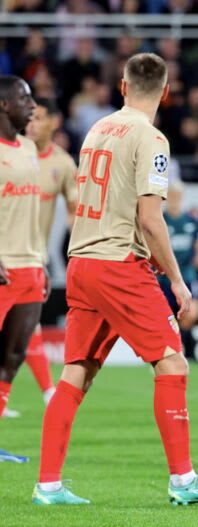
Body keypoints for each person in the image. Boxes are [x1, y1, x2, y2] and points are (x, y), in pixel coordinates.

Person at [32, 54, 198, 505]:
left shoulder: (97, 130)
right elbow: (150, 217)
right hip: (119, 262)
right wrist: (179, 282)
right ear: (166, 93)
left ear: (122, 87)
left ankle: (47, 484)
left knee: (76, 371)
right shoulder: (152, 138)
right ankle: (183, 480)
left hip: (82, 262)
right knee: (172, 362)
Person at [5, 97, 76, 417]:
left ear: (54, 123)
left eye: (38, 116)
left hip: (33, 259)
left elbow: (76, 209)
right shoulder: (11, 151)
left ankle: (46, 391)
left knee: (18, 344)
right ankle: (49, 390)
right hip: (6, 260)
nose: (32, 121)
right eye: (28, 114)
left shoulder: (58, 162)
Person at [0, 75, 41, 463]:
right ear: (3, 106)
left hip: (30, 265)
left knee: (13, 356)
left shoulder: (29, 147)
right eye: (23, 97)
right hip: (2, 267)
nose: (32, 104)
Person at [158, 182, 198, 359]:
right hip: (164, 279)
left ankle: (180, 347)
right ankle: (171, 353)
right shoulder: (160, 220)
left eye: (177, 196)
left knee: (191, 314)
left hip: (187, 275)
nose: (174, 199)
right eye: (171, 195)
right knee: (165, 319)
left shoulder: (192, 222)